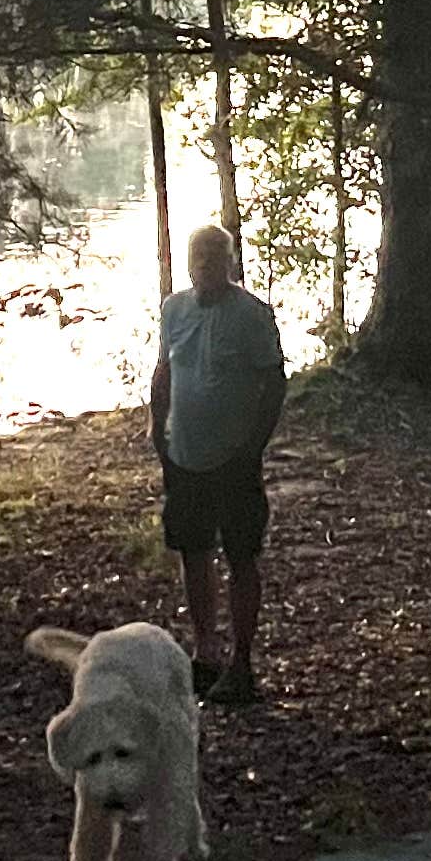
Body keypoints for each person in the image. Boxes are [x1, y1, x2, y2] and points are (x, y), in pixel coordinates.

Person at [150, 223, 285, 705]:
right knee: (193, 549)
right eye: (198, 257)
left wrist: (253, 446)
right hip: (184, 454)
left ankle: (242, 663)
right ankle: (206, 653)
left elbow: (274, 383)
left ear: (230, 263)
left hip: (234, 458)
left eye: (215, 257)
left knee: (241, 555)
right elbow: (165, 368)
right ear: (189, 263)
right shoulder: (175, 309)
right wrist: (156, 423)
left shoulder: (252, 316)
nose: (205, 266)